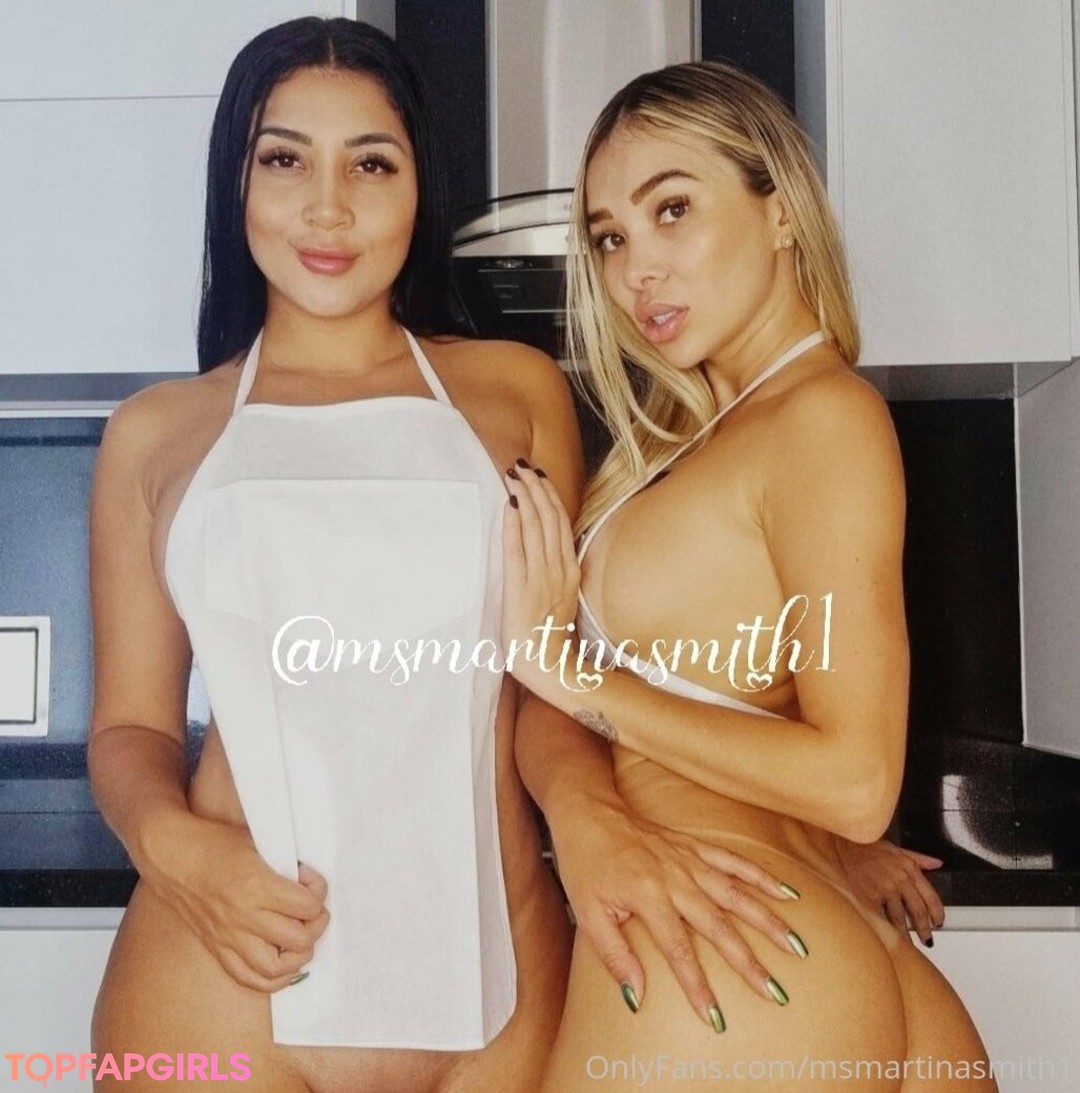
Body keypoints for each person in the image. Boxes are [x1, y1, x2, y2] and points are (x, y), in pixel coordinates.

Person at [86, 20, 807, 1093]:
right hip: (223, 979)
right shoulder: (153, 433)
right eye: (284, 159)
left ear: (420, 188)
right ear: (234, 181)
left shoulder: (517, 391)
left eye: (371, 163)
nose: (328, 207)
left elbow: (551, 676)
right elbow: (131, 728)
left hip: (499, 992)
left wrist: (594, 820)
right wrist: (175, 850)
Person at [503, 62, 997, 1091]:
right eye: (609, 238)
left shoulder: (822, 417)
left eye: (672, 209)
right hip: (782, 927)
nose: (638, 270)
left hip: (726, 957)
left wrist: (573, 675)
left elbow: (857, 781)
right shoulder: (705, 439)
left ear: (780, 211)